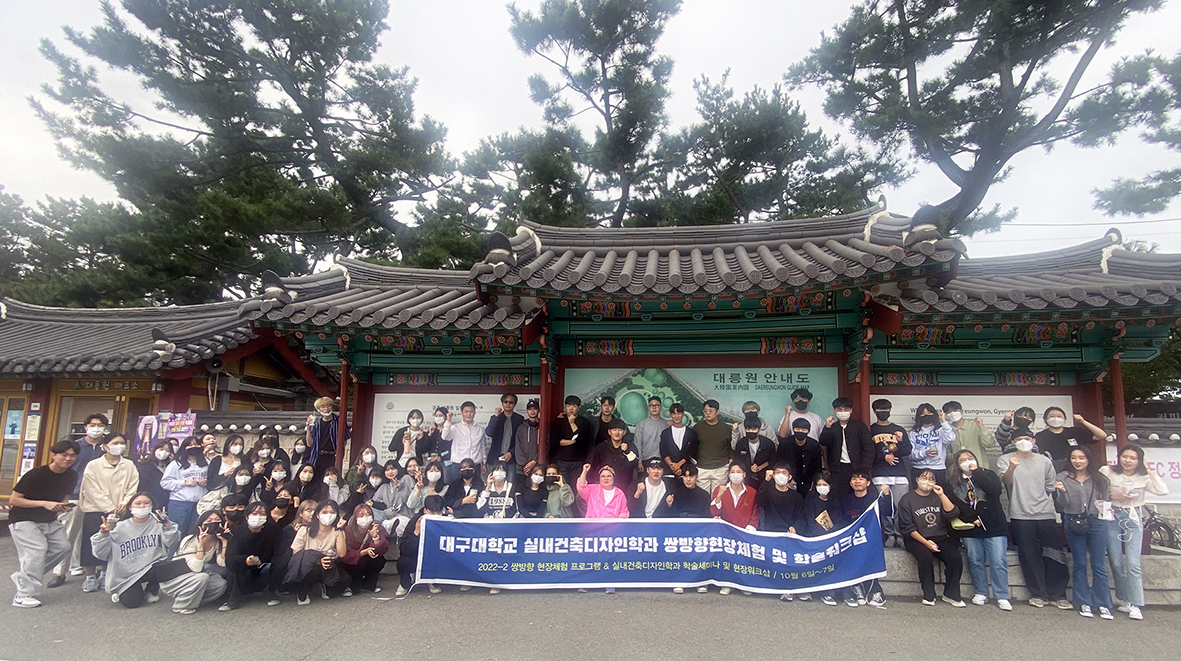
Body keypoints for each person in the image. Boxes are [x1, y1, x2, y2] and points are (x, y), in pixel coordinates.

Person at [91, 492, 210, 613]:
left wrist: (167, 525)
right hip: (127, 572)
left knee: (162, 564)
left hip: (152, 566)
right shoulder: (118, 527)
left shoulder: (158, 523)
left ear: (152, 506)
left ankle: (151, 590)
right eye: (138, 503)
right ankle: (125, 592)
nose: (142, 506)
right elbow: (101, 554)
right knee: (132, 603)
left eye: (146, 503)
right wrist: (103, 534)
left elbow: (172, 542)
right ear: (130, 507)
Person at [998, 430, 1069, 609]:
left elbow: (1049, 486)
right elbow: (1006, 481)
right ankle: (1038, 593)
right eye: (1019, 439)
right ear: (1013, 442)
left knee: (1054, 554)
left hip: (1045, 514)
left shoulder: (1044, 461)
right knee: (1029, 555)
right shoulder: (1005, 459)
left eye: (1027, 438)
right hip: (1020, 514)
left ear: (1034, 441)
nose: (1024, 441)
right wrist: (1012, 467)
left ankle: (1058, 594)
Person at [1100, 443, 1169, 621]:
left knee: (1133, 562)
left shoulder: (1144, 477)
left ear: (1139, 460)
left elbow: (1163, 491)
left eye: (1133, 458)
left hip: (1133, 517)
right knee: (1115, 561)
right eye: (1125, 456)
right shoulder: (1107, 471)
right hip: (1112, 516)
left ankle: (1136, 604)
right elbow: (1096, 493)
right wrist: (1113, 496)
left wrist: (1149, 470)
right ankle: (1125, 599)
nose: (1128, 460)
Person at [8, 440, 79, 608]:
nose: (68, 459)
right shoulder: (36, 474)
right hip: (23, 518)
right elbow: (14, 500)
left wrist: (64, 505)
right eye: (64, 455)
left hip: (49, 519)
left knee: (63, 547)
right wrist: (43, 503)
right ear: (53, 455)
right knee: (37, 550)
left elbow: (64, 496)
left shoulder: (72, 475)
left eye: (72, 455)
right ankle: (23, 594)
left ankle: (23, 576)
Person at [945, 449, 1011, 611]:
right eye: (962, 460)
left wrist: (977, 472)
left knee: (998, 561)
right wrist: (971, 518)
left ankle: (1002, 595)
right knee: (975, 561)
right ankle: (981, 592)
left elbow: (995, 490)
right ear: (957, 464)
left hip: (994, 526)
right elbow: (956, 503)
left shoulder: (987, 474)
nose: (967, 461)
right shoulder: (953, 482)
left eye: (970, 457)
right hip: (970, 527)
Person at [1054, 447, 1113, 619]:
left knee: (1098, 564)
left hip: (1097, 520)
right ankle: (1083, 602)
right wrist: (1062, 492)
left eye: (1081, 458)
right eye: (1074, 458)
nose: (1077, 461)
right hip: (1073, 519)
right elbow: (1062, 504)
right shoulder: (1062, 477)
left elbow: (1106, 500)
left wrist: (1105, 514)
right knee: (1079, 563)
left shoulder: (1100, 478)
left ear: (1088, 459)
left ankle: (1103, 604)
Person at [79, 432, 140, 593]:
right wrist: (108, 507)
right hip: (96, 509)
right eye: (115, 443)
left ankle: (105, 573)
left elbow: (133, 486)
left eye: (121, 443)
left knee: (114, 542)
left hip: (120, 511)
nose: (118, 446)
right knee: (91, 542)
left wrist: (124, 503)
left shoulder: (129, 465)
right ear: (105, 446)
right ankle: (90, 576)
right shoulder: (94, 465)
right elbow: (91, 489)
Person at [52, 413, 109, 585]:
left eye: (100, 425)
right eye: (93, 425)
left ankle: (93, 568)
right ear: (85, 427)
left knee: (96, 533)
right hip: (75, 494)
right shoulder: (75, 446)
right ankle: (60, 572)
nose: (96, 428)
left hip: (100, 496)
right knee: (69, 533)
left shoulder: (107, 446)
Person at [898, 469, 965, 607]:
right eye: (924, 477)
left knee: (955, 558)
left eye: (931, 478)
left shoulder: (938, 496)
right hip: (917, 538)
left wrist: (941, 495)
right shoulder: (907, 499)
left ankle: (951, 594)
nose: (927, 481)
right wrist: (926, 543)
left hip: (940, 536)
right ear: (917, 479)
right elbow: (907, 528)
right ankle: (929, 595)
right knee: (925, 557)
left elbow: (952, 513)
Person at [219, 500, 283, 611]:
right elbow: (230, 558)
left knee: (275, 565)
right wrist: (245, 560)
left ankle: (270, 592)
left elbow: (279, 552)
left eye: (262, 514)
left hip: (264, 565)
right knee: (236, 567)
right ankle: (233, 599)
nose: (258, 517)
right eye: (254, 513)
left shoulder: (274, 529)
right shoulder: (237, 532)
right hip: (243, 567)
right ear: (247, 516)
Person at [838, 470, 887, 608]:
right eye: (854, 478)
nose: (857, 481)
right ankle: (857, 586)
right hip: (852, 537)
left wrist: (886, 495)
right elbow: (843, 520)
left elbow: (888, 511)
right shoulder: (845, 500)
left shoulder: (875, 498)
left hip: (872, 537)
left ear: (868, 483)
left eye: (861, 478)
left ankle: (876, 591)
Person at [286, 500, 350, 604]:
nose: (328, 515)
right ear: (317, 515)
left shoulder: (337, 532)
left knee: (345, 580)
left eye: (332, 512)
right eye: (324, 512)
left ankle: (325, 587)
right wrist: (317, 560)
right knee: (312, 573)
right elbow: (296, 555)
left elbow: (342, 554)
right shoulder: (304, 531)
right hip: (307, 567)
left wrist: (341, 529)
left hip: (329, 566)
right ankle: (303, 590)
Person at [868, 399, 911, 547]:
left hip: (899, 474)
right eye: (880, 409)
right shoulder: (870, 429)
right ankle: (889, 535)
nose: (883, 412)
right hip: (880, 474)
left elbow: (907, 451)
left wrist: (901, 440)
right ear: (874, 411)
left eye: (886, 409)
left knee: (901, 507)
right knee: (885, 506)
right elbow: (867, 453)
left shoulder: (898, 429)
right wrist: (883, 457)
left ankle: (900, 535)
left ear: (890, 410)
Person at [170, 510, 230, 614]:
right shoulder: (190, 539)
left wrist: (224, 542)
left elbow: (222, 564)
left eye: (217, 520)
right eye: (209, 521)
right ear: (201, 524)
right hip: (178, 575)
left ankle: (193, 600)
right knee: (202, 577)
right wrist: (200, 545)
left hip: (196, 573)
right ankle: (180, 605)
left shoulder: (217, 540)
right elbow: (195, 568)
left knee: (220, 584)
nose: (213, 523)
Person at [818, 397, 874, 502]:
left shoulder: (860, 427)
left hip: (857, 468)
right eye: (839, 409)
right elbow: (823, 442)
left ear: (851, 410)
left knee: (860, 496)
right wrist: (827, 427)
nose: (843, 412)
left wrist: (865, 469)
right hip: (838, 469)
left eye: (846, 409)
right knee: (838, 497)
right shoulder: (832, 427)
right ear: (834, 410)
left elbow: (868, 449)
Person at [396, 494, 447, 597]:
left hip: (435, 557)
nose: (436, 515)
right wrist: (416, 533)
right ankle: (405, 583)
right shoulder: (415, 521)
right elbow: (404, 548)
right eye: (432, 512)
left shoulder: (445, 520)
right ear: (425, 510)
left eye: (439, 512)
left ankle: (432, 581)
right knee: (403, 562)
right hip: (417, 556)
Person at [800, 474, 839, 603]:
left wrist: (832, 534)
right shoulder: (811, 502)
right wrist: (821, 536)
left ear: (830, 486)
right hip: (815, 538)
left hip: (832, 538)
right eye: (819, 485)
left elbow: (840, 521)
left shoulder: (836, 501)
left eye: (825, 485)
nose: (822, 487)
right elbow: (810, 523)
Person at [160, 437, 209, 540]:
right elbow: (165, 483)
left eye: (196, 444)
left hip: (199, 504)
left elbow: (213, 479)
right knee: (178, 532)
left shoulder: (206, 463)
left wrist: (207, 481)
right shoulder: (176, 464)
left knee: (194, 533)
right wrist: (184, 482)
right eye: (190, 445)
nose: (194, 447)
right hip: (179, 503)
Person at [339, 503, 388, 594]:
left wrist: (375, 538)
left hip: (368, 559)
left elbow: (383, 550)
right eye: (361, 515)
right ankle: (352, 584)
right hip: (351, 563)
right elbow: (346, 555)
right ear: (355, 517)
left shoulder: (377, 527)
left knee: (379, 560)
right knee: (355, 590)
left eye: (368, 514)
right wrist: (364, 552)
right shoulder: (348, 530)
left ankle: (368, 584)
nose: (365, 517)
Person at [1037, 407, 1106, 471]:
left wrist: (1083, 421)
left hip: (1076, 469)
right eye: (1052, 416)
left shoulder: (1075, 432)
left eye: (1059, 416)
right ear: (1045, 419)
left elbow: (1101, 435)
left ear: (1064, 419)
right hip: (1053, 470)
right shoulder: (1040, 436)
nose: (1056, 419)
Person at [549, 395, 593, 487]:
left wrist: (572, 423)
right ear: (565, 407)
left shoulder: (584, 422)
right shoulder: (559, 421)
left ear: (578, 408)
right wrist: (573, 441)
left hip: (577, 461)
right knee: (561, 485)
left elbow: (582, 440)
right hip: (561, 460)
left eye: (574, 406)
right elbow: (555, 441)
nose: (571, 408)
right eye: (568, 406)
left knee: (575, 487)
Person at [587, 417, 640, 494]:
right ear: (609, 432)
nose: (617, 432)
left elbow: (634, 464)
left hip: (624, 486)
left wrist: (627, 451)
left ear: (624, 432)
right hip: (604, 487)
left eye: (620, 430)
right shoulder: (601, 447)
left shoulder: (631, 447)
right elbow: (594, 467)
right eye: (614, 430)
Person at [907, 403, 954, 486]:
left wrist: (943, 420)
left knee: (938, 493)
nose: (926, 415)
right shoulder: (914, 433)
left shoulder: (941, 430)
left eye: (929, 413)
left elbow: (950, 438)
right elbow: (910, 455)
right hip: (918, 468)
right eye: (923, 413)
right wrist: (925, 453)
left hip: (938, 468)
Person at [942, 401, 999, 468]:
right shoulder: (947, 431)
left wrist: (981, 427)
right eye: (949, 412)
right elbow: (947, 455)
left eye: (955, 410)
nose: (952, 414)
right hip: (957, 470)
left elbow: (990, 444)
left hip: (979, 468)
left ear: (961, 411)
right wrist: (956, 456)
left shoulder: (975, 426)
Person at [442, 401, 487, 482]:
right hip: (458, 465)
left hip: (475, 465)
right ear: (462, 413)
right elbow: (445, 437)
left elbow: (483, 447)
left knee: (475, 487)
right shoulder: (455, 428)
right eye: (466, 412)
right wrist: (448, 421)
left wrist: (484, 463)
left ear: (475, 413)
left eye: (471, 411)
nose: (469, 414)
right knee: (457, 487)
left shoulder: (480, 429)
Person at [306, 396, 349, 482]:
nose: (326, 408)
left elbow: (344, 440)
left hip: (332, 456)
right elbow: (309, 444)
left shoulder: (339, 421)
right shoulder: (316, 423)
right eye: (323, 406)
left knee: (331, 480)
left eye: (329, 405)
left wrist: (339, 452)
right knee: (316, 482)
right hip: (317, 456)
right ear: (318, 409)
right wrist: (308, 429)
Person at [778, 418, 823, 497]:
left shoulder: (814, 446)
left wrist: (813, 484)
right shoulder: (784, 444)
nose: (800, 432)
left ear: (808, 431)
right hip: (787, 480)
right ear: (793, 429)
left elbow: (817, 468)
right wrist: (786, 479)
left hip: (807, 482)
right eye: (797, 429)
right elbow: (779, 463)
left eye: (804, 430)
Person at [694, 400, 732, 495]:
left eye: (710, 411)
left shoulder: (726, 428)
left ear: (718, 412)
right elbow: (693, 447)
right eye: (705, 411)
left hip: (721, 468)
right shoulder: (697, 427)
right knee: (702, 497)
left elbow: (731, 446)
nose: (707, 413)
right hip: (702, 468)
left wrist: (731, 459)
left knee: (719, 497)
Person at [732, 412, 775, 488]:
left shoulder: (768, 444)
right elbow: (738, 461)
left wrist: (759, 467)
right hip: (746, 477)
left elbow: (772, 461)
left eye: (753, 429)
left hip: (764, 477)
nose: (750, 431)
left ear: (759, 430)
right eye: (748, 429)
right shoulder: (741, 443)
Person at [486, 393, 524, 475]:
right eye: (506, 402)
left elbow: (521, 440)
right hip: (495, 458)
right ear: (502, 403)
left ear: (515, 404)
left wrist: (511, 452)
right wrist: (496, 417)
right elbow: (489, 433)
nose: (508, 404)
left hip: (511, 459)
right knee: (493, 481)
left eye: (511, 402)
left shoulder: (519, 419)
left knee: (510, 482)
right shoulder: (496, 418)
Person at [373, 460, 413, 535]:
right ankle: (387, 525)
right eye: (387, 470)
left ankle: (388, 527)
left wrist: (401, 488)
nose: (390, 472)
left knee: (399, 524)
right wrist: (386, 512)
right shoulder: (383, 487)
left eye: (393, 469)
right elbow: (374, 504)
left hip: (405, 517)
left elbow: (411, 501)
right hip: (387, 518)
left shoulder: (406, 478)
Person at [659, 403, 698, 479]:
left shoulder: (691, 433)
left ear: (683, 414)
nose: (676, 416)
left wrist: (678, 465)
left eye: (679, 413)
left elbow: (692, 452)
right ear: (670, 415)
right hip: (668, 472)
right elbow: (663, 452)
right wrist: (672, 466)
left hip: (686, 472)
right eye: (674, 414)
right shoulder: (665, 433)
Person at [137, 440, 173, 509]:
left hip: (166, 503)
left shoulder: (170, 467)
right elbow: (142, 487)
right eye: (161, 449)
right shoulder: (145, 467)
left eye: (167, 450)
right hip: (151, 502)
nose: (164, 452)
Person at [514, 399, 542, 485]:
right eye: (530, 409)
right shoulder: (521, 428)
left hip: (538, 468)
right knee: (520, 489)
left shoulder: (544, 426)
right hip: (522, 469)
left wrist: (534, 461)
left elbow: (547, 446)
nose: (532, 411)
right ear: (527, 411)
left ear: (539, 410)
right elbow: (518, 447)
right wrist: (526, 465)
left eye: (535, 409)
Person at [633, 395, 668, 463]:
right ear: (648, 407)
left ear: (661, 407)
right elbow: (638, 445)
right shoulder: (641, 425)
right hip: (646, 461)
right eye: (651, 405)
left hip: (664, 461)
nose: (654, 407)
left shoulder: (667, 424)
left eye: (656, 405)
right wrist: (639, 462)